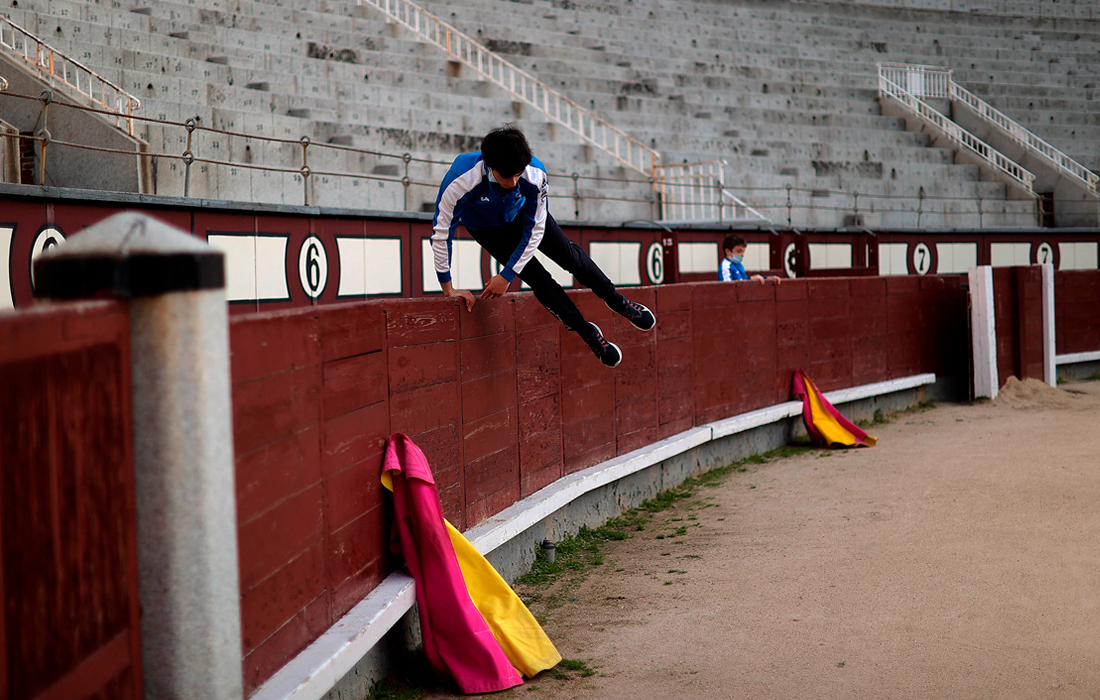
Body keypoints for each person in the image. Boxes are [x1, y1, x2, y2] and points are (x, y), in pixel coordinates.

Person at [431, 125, 655, 368]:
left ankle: (617, 301)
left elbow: (535, 230)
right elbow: (442, 233)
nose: (514, 182)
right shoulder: (460, 178)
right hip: (489, 231)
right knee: (539, 279)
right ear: (490, 165)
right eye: (507, 176)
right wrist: (448, 289)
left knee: (570, 258)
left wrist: (507, 275)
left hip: (524, 215)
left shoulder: (534, 172)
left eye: (518, 175)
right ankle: (586, 332)